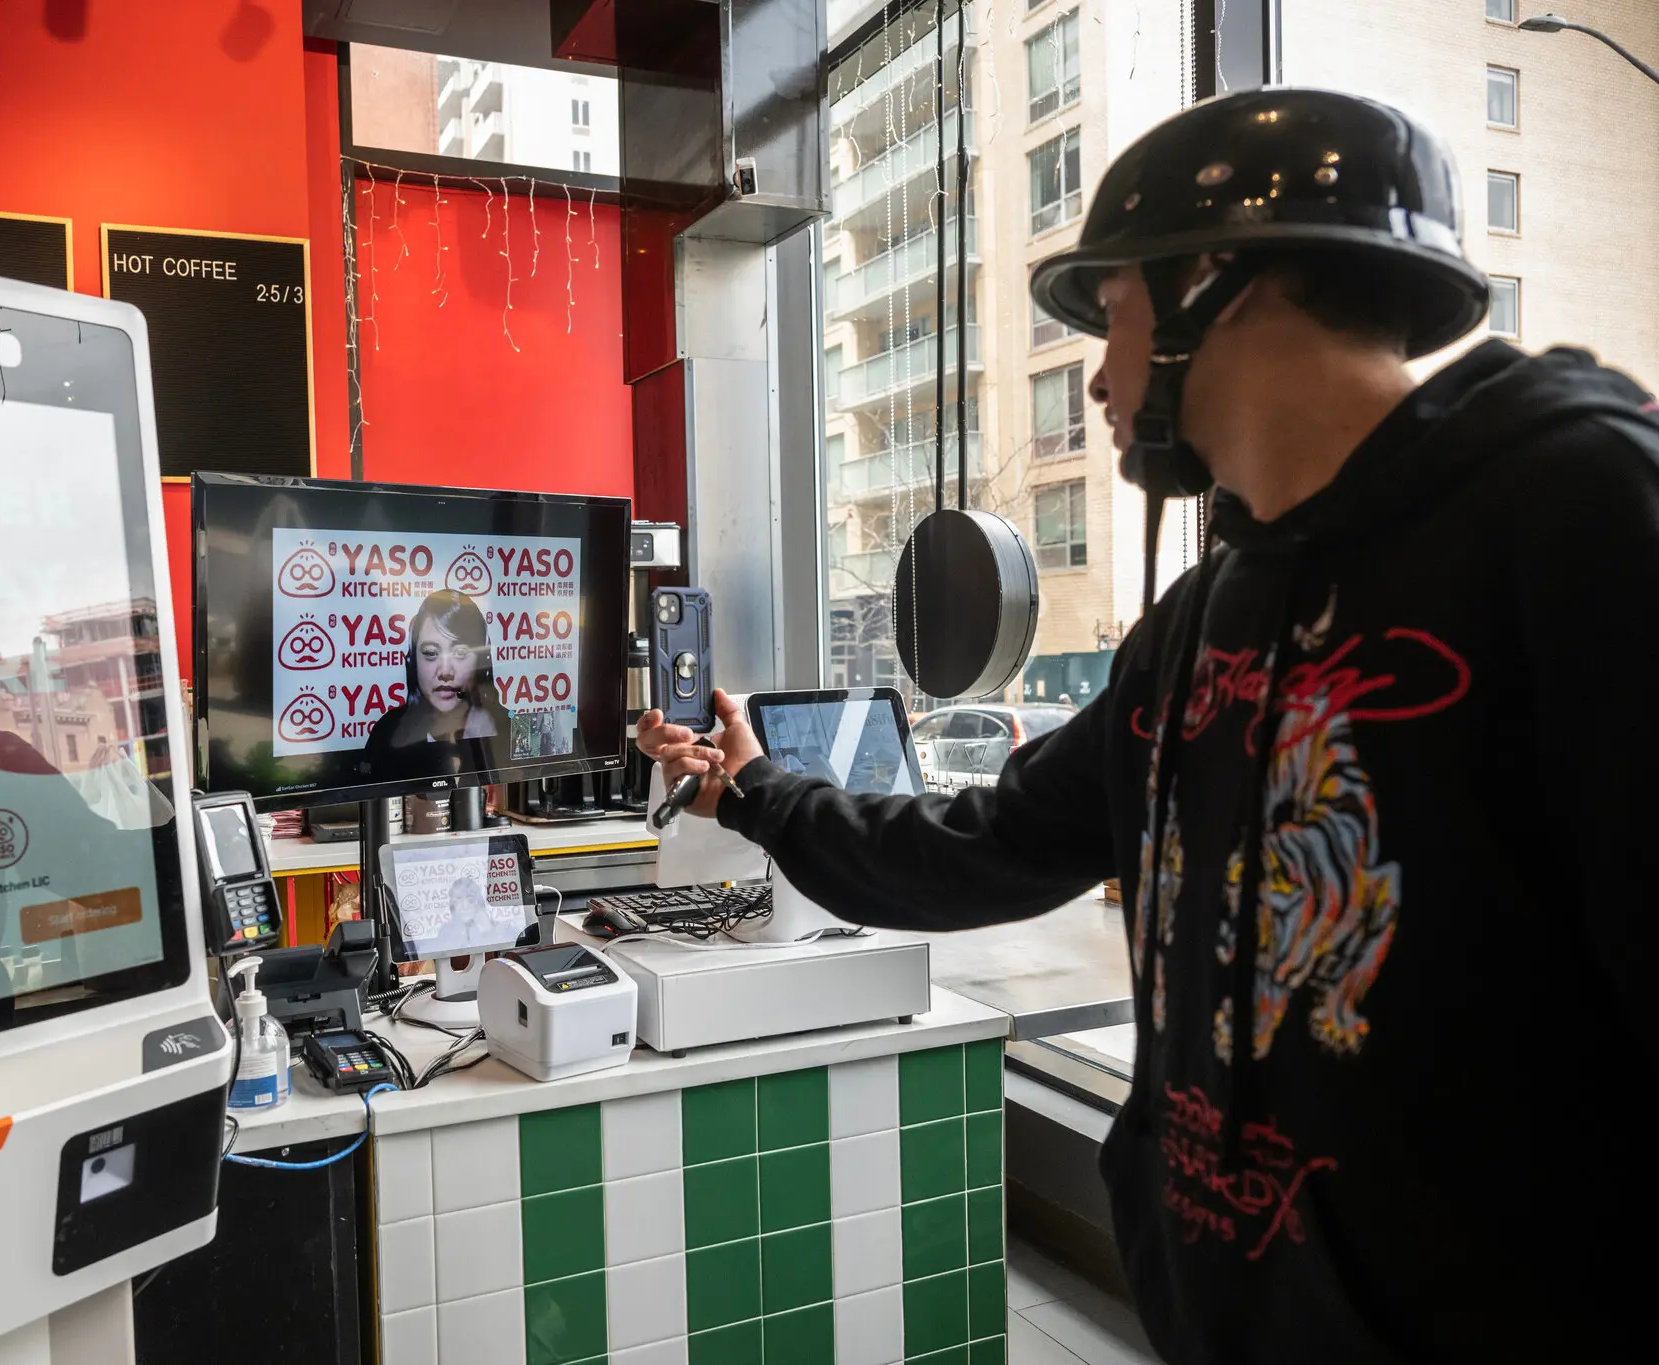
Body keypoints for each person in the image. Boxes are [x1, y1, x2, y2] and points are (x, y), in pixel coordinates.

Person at [642, 89, 1657, 1364]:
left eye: (1111, 313)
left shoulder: (1580, 513)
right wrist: (751, 793)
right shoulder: (1198, 623)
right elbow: (984, 846)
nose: (1096, 372)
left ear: (1219, 288)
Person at [361, 589, 514, 782]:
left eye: (460, 653)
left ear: (482, 661)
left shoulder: (509, 730)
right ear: (413, 661)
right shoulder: (387, 734)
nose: (445, 671)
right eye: (431, 653)